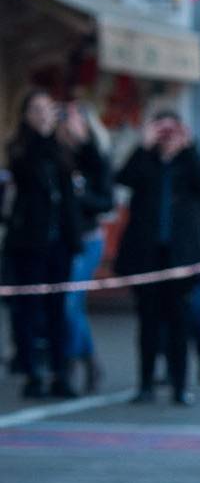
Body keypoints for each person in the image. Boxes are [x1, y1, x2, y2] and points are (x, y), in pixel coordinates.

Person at [115, 110, 200, 405]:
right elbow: (124, 178)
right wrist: (143, 146)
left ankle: (179, 384)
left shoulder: (192, 161)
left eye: (173, 130)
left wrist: (188, 147)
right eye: (162, 130)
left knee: (179, 323)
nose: (167, 136)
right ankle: (145, 383)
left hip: (181, 257)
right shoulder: (146, 161)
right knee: (147, 321)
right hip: (147, 255)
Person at [3, 91, 82, 397]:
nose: (43, 115)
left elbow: (90, 170)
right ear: (26, 115)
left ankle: (60, 372)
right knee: (27, 309)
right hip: (28, 242)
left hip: (59, 242)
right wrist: (46, 134)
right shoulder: (21, 146)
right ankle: (31, 371)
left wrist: (77, 133)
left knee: (57, 310)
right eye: (36, 110)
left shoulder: (63, 147)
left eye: (48, 109)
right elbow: (28, 170)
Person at [61, 102, 116, 394]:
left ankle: (82, 360)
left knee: (71, 303)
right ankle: (82, 360)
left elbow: (106, 201)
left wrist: (79, 198)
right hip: (61, 240)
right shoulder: (56, 153)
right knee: (68, 305)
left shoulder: (95, 156)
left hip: (88, 238)